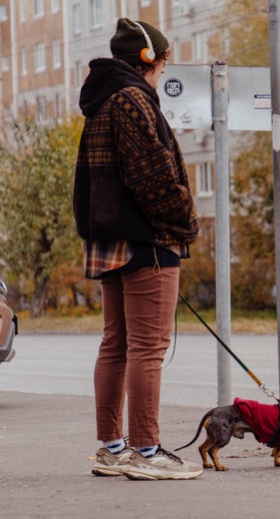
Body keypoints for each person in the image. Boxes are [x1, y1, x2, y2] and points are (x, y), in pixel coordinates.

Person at [73, 18, 202, 480]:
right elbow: (153, 176)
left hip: (111, 240)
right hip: (147, 239)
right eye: (164, 59)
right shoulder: (132, 99)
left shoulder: (103, 99)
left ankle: (113, 447)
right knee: (148, 348)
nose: (165, 67)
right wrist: (187, 221)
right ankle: (146, 452)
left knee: (117, 345)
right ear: (150, 60)